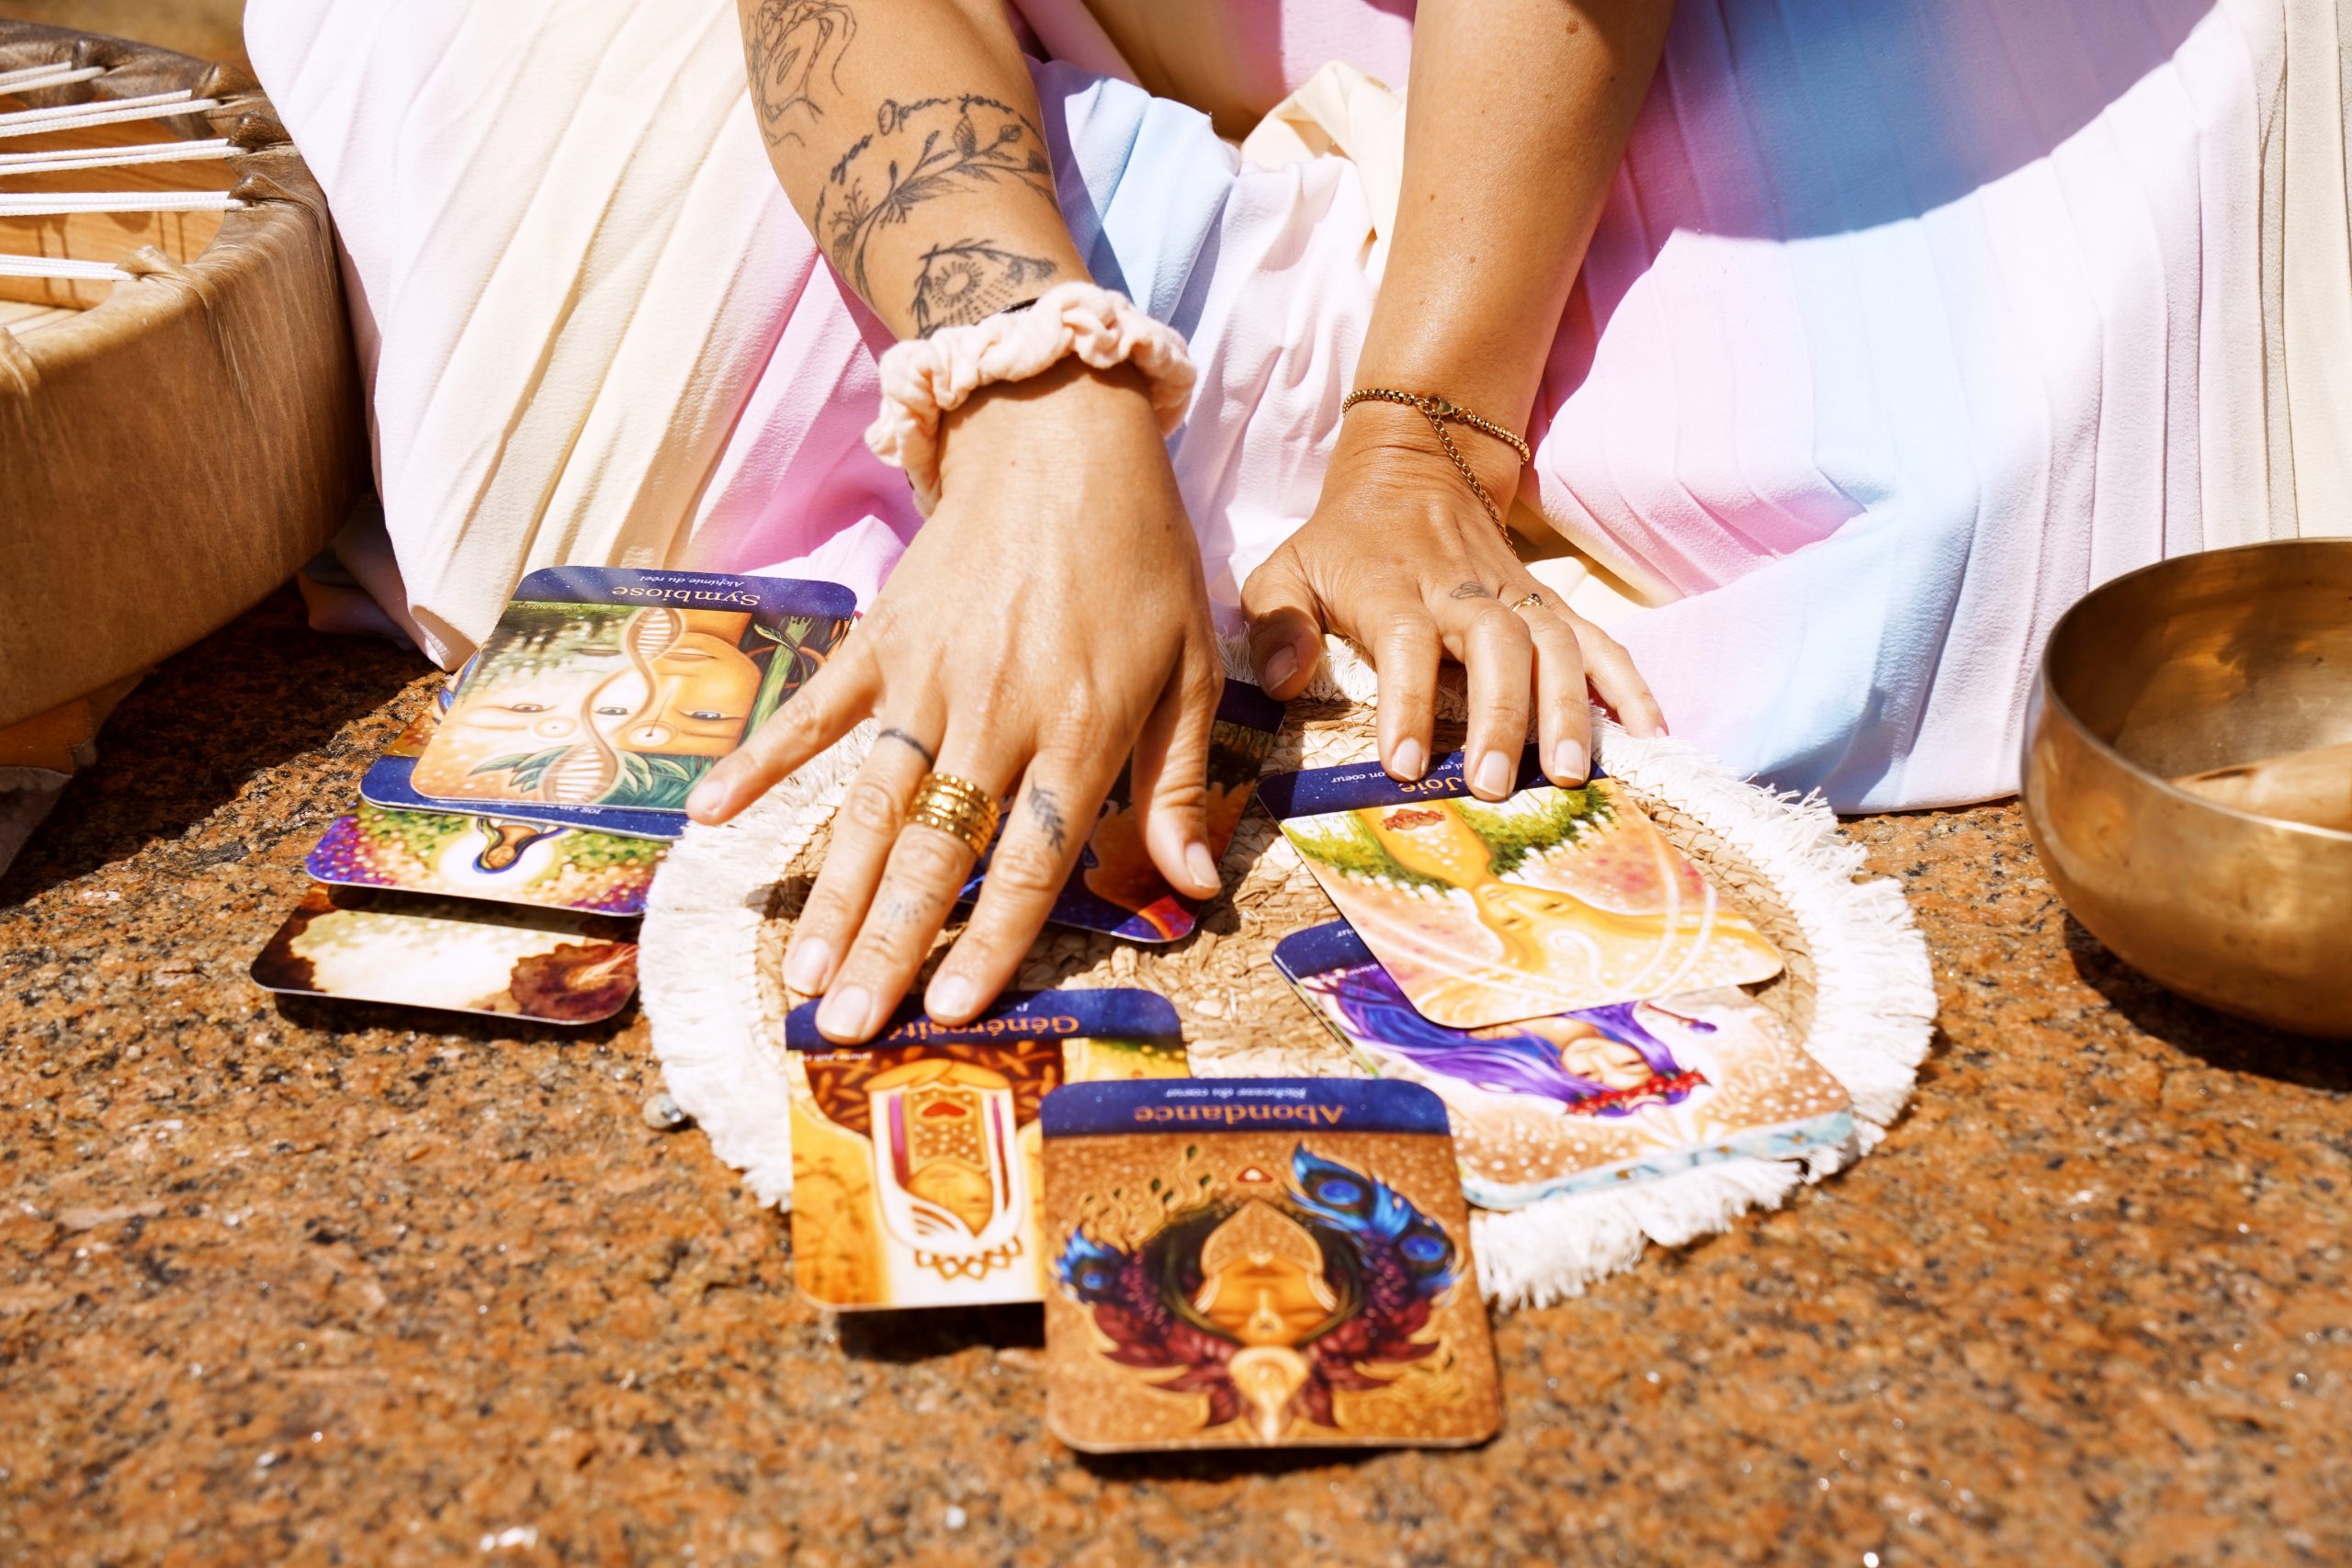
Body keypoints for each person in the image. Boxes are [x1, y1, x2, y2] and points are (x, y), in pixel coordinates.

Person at [249, 0, 2325, 1040]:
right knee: (477, 218)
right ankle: (1227, 337)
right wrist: (1027, 395)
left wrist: (1424, 428)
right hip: (1052, 64)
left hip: (1643, 74)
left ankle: (1402, 330)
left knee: (2141, 323)